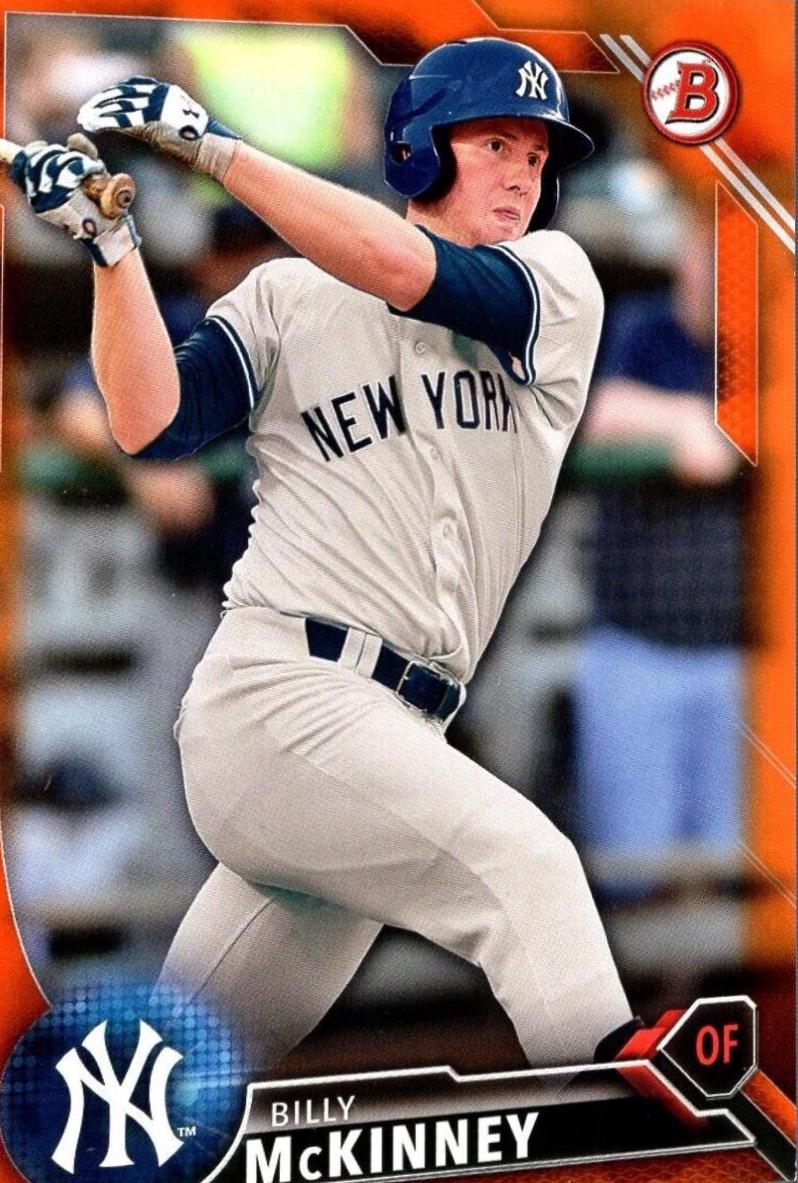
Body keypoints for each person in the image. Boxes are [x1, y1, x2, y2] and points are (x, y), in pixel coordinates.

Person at [13, 37, 638, 1072]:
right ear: (420, 150)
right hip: (281, 695)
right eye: (495, 144)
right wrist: (112, 251)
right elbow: (148, 422)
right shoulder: (286, 299)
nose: (524, 174)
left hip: (393, 733)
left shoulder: (555, 282)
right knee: (529, 868)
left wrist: (216, 151)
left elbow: (402, 269)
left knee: (183, 1070)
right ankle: (641, 1126)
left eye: (537, 156)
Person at [573, 216, 744, 894]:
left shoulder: (766, 340)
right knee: (632, 874)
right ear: (686, 259)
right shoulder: (639, 330)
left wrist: (731, 427)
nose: (723, 274)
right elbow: (588, 413)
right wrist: (683, 422)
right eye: (712, 254)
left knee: (740, 874)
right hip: (635, 650)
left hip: (743, 658)